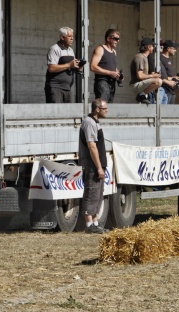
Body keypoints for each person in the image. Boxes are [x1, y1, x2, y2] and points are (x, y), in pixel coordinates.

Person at [79, 99, 109, 234]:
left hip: (98, 165)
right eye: (105, 108)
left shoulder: (96, 122)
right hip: (92, 165)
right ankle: (89, 224)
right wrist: (98, 167)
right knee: (91, 193)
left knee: (98, 194)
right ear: (97, 109)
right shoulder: (89, 123)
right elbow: (92, 146)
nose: (107, 111)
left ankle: (96, 223)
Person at [45, 27, 82, 103]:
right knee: (56, 112)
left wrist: (78, 68)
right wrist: (69, 64)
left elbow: (71, 66)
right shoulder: (55, 49)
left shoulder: (71, 50)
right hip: (55, 87)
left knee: (67, 113)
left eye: (73, 36)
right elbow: (51, 68)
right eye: (69, 36)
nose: (72, 38)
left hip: (67, 87)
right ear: (62, 37)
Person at [90, 29, 122, 102]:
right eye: (116, 39)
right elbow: (93, 67)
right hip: (102, 81)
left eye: (118, 39)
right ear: (108, 39)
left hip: (112, 83)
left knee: (109, 107)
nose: (118, 41)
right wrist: (110, 73)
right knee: (102, 104)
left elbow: (112, 67)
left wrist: (118, 75)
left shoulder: (114, 51)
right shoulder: (100, 49)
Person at [130, 38, 162, 104]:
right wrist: (153, 76)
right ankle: (141, 95)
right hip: (136, 84)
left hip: (142, 84)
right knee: (158, 81)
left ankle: (142, 95)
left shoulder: (144, 57)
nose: (153, 48)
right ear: (148, 47)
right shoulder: (140, 57)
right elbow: (140, 75)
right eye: (152, 46)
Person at [158, 40, 179, 104]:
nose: (175, 50)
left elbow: (167, 74)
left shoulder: (169, 59)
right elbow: (160, 75)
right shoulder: (160, 58)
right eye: (174, 48)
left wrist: (174, 77)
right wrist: (169, 80)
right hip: (165, 90)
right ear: (168, 48)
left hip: (171, 90)